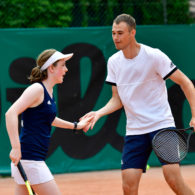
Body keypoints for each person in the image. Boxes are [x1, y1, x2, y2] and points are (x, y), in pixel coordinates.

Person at [82, 14, 195, 195]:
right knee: (128, 185)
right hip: (135, 130)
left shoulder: (154, 56)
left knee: (173, 178)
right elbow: (116, 99)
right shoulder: (114, 62)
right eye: (113, 33)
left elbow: (185, 82)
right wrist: (98, 113)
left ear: (132, 33)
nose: (115, 38)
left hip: (162, 125)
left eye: (120, 33)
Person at [5, 49, 92, 195]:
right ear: (51, 68)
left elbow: (49, 119)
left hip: (29, 159)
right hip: (30, 159)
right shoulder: (37, 89)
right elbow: (11, 113)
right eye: (63, 65)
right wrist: (15, 147)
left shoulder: (48, 91)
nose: (66, 69)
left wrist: (76, 126)